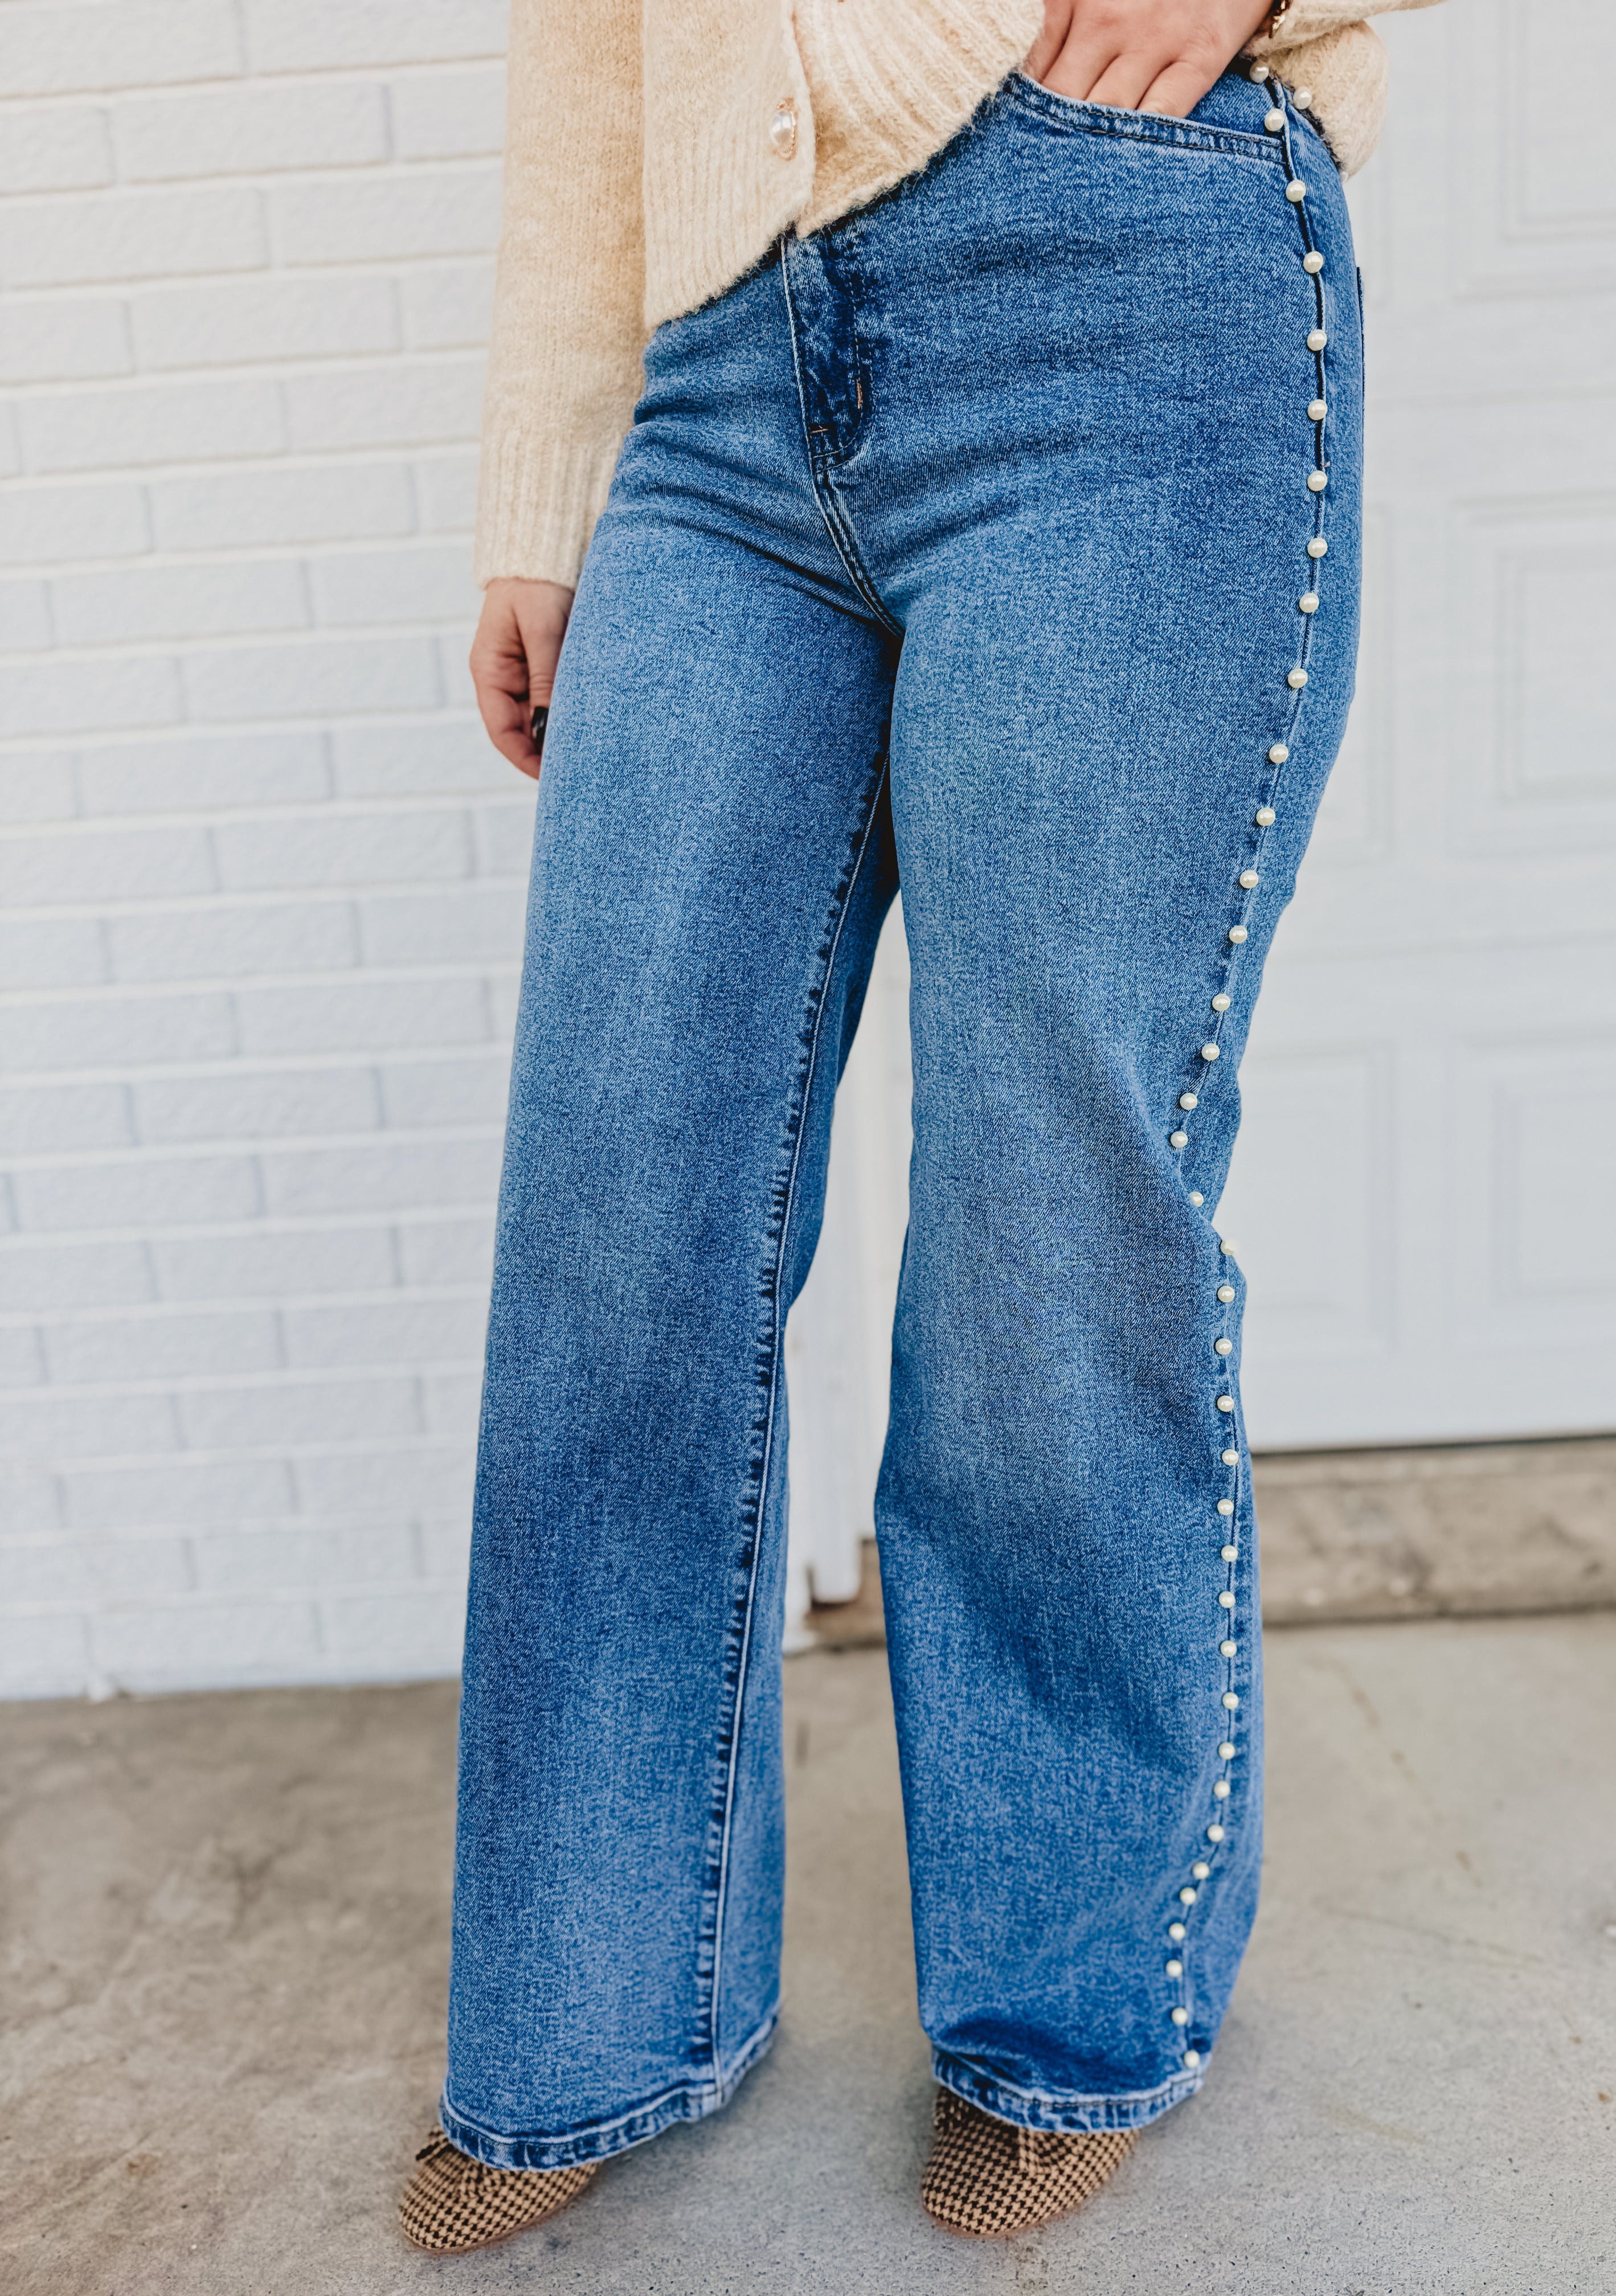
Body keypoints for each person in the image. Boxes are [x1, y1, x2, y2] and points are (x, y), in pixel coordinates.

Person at [398, 0, 1439, 2253]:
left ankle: (1070, 2014)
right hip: (714, 384)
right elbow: (587, 45)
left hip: (1120, 287)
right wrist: (544, 487)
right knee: (615, 1228)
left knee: (1042, 1228)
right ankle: (591, 2023)